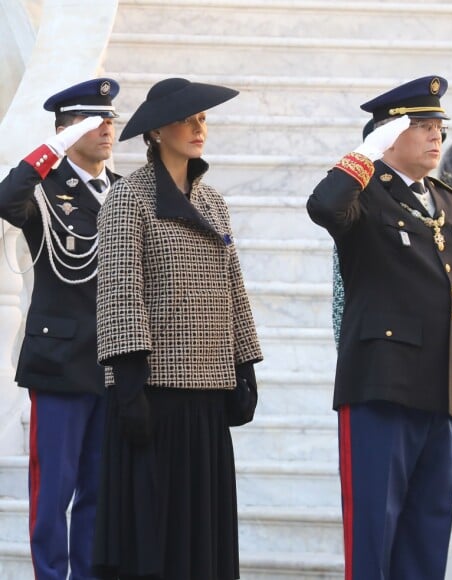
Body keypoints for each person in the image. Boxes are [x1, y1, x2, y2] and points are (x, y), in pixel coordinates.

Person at [306, 75, 452, 580]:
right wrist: (366, 153)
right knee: (373, 537)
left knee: (427, 536)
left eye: (439, 128)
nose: (436, 138)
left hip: (440, 389)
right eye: (423, 127)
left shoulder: (447, 200)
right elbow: (323, 206)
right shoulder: (363, 194)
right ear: (389, 135)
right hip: (381, 388)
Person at [92, 77, 263, 580]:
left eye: (202, 118)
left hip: (207, 394)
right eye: (187, 119)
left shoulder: (212, 201)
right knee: (153, 537)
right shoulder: (128, 198)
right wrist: (128, 387)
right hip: (151, 392)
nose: (198, 128)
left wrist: (245, 366)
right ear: (157, 131)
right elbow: (121, 292)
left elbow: (233, 286)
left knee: (201, 539)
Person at [0, 78, 121, 579]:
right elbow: (7, 201)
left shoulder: (124, 192)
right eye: (93, 121)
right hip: (59, 362)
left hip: (113, 361)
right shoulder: (47, 192)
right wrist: (48, 153)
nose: (107, 129)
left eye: (110, 119)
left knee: (99, 489)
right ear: (67, 130)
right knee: (54, 489)